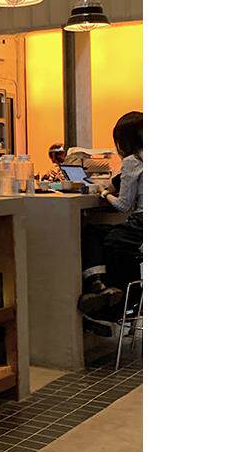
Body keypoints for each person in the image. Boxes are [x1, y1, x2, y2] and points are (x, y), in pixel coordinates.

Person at [78, 111, 143, 320]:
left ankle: (109, 295)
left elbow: (123, 205)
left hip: (140, 227)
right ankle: (103, 289)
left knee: (102, 236)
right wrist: (108, 187)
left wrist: (103, 194)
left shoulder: (133, 160)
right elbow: (119, 182)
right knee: (106, 235)